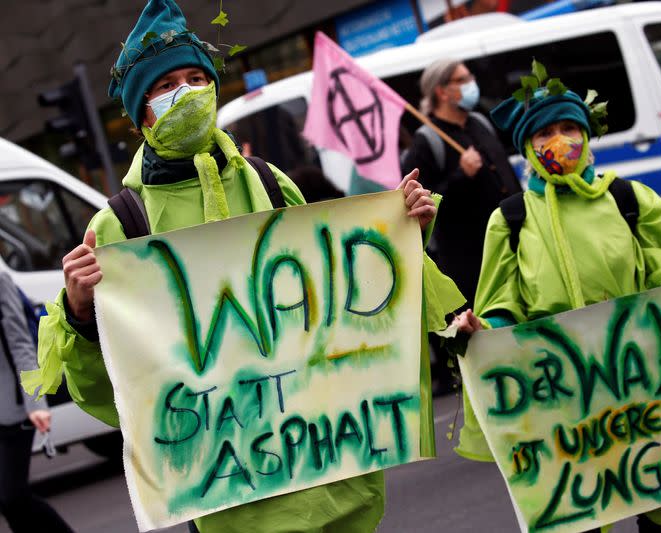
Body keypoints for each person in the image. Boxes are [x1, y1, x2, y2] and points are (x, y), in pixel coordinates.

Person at [23, 1, 461, 532]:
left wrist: (399, 235)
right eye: (165, 87)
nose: (185, 93)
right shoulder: (119, 226)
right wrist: (80, 314)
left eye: (194, 78)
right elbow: (115, 395)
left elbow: (352, 307)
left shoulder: (271, 182)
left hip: (336, 479)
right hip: (236, 500)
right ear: (141, 116)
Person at [451, 78, 661, 532]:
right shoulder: (511, 220)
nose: (559, 140)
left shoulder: (630, 200)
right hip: (563, 398)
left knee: (659, 503)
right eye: (544, 133)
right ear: (529, 146)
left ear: (586, 134)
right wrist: (483, 326)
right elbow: (503, 304)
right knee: (582, 516)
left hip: (637, 384)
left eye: (567, 127)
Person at [402, 58, 522, 310]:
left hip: (512, 247)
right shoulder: (426, 142)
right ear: (441, 91)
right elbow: (424, 208)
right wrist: (460, 175)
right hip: (470, 262)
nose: (471, 84)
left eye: (470, 78)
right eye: (462, 80)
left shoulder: (479, 122)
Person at [0, 272, 74, 533]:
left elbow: (20, 344)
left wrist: (36, 404)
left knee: (13, 496)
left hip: (13, 409)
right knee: (8, 501)